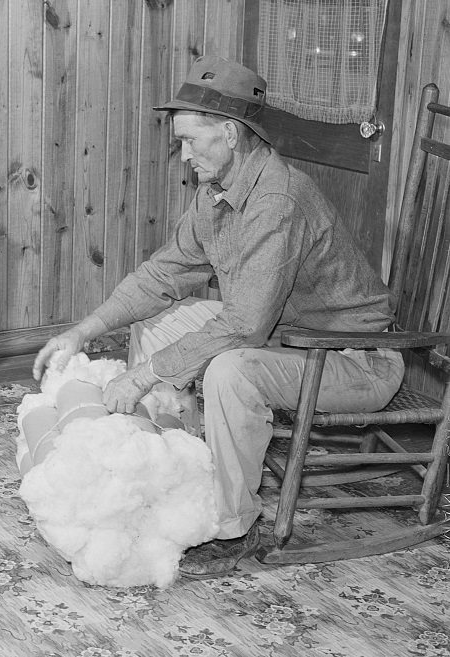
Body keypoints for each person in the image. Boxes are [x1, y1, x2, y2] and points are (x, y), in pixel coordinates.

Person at [32, 55, 404, 579]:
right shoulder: (217, 191)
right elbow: (161, 276)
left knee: (230, 371)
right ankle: (185, 460)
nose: (184, 157)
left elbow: (244, 326)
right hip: (292, 339)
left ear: (230, 133)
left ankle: (235, 525)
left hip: (353, 360)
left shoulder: (277, 201)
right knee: (161, 322)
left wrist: (146, 373)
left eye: (190, 141)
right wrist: (82, 331)